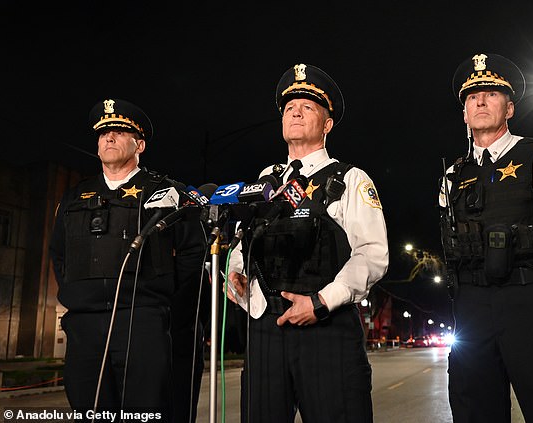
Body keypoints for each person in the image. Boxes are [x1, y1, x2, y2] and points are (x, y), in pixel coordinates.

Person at [226, 63, 389, 423]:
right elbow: (242, 248)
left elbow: (372, 255)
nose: (295, 112)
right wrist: (234, 278)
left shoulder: (349, 178)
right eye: (289, 108)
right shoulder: (265, 181)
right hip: (266, 330)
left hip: (325, 330)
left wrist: (320, 302)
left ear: (327, 124)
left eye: (308, 107)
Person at [439, 53, 533, 422]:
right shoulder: (451, 175)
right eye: (472, 97)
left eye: (491, 94)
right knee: (474, 410)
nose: (480, 101)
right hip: (472, 306)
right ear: (464, 113)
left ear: (509, 108)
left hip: (531, 299)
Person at [49, 98, 207, 422]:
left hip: (144, 323)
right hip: (86, 327)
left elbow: (193, 255)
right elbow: (59, 253)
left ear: (140, 144)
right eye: (104, 132)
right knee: (90, 411)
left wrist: (167, 308)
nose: (109, 138)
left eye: (120, 131)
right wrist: (79, 297)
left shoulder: (167, 192)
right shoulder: (75, 196)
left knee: (147, 413)